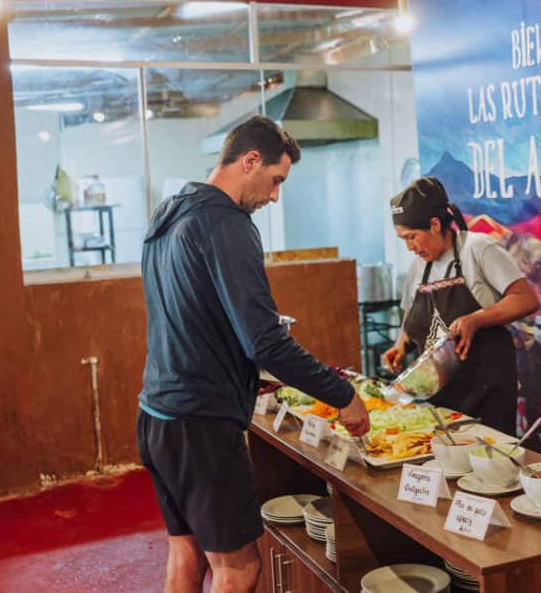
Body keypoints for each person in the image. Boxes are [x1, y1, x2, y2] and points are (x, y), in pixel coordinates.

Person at [136, 115, 370, 593]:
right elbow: (264, 341)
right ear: (250, 161)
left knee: (186, 555)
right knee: (238, 569)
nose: (275, 196)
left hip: (157, 413)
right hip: (203, 423)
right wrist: (342, 394)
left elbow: (193, 315)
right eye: (276, 180)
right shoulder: (226, 222)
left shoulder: (171, 212)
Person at [382, 177, 539, 435]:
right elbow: (412, 314)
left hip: (487, 394)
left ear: (434, 225)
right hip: (440, 397)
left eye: (412, 237)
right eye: (404, 240)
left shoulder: (477, 248)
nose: (410, 247)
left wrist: (475, 319)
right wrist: (401, 344)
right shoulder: (418, 266)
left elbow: (526, 299)